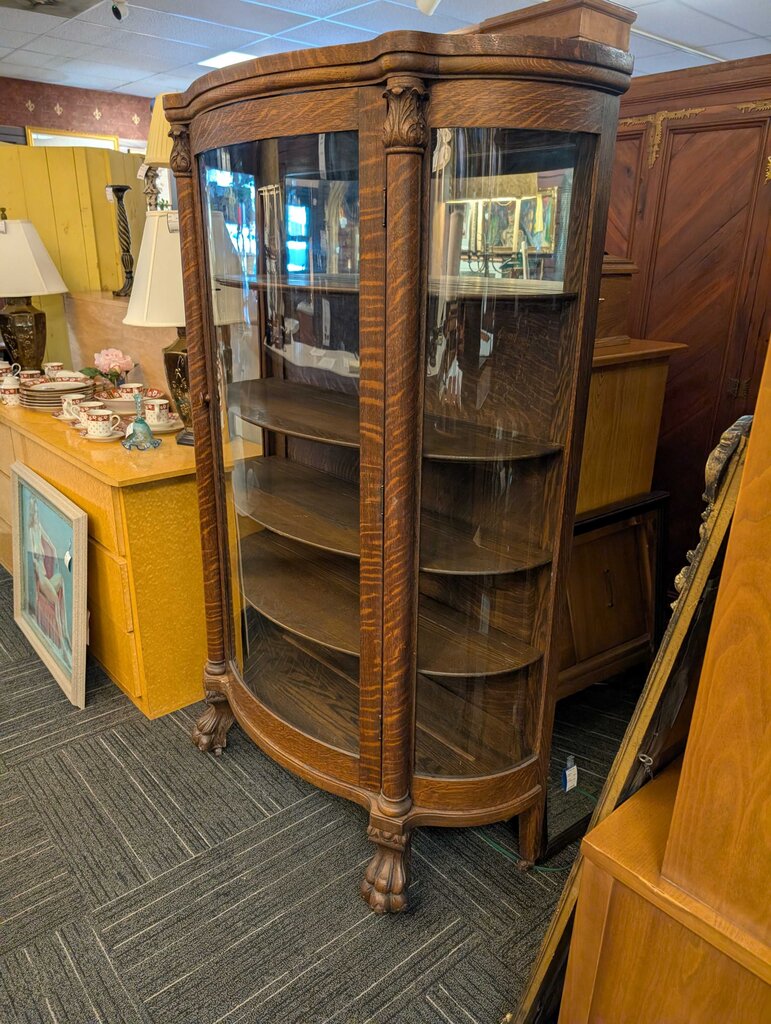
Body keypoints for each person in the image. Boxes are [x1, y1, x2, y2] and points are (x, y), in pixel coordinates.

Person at [26, 496, 72, 669]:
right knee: (54, 601)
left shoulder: (37, 528)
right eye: (34, 512)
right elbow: (34, 561)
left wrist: (59, 554)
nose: (36, 515)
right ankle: (63, 649)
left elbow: (50, 545)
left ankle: (65, 636)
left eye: (37, 511)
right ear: (31, 513)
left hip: (48, 578)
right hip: (42, 580)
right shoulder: (30, 532)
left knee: (60, 579)